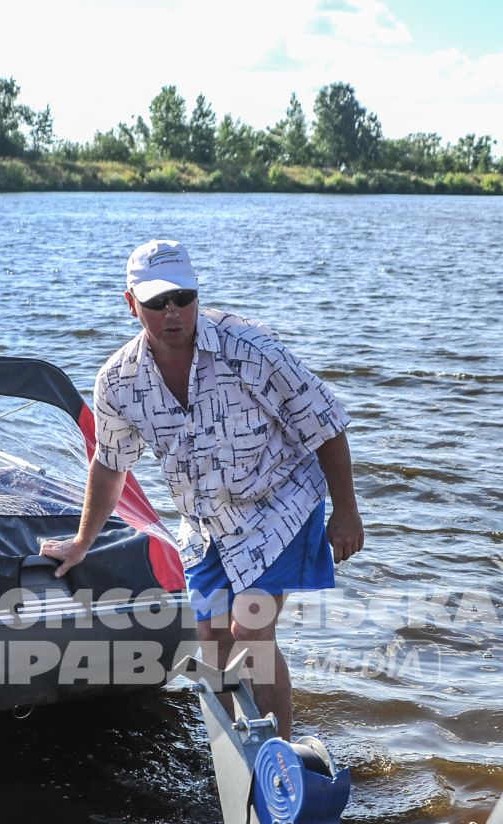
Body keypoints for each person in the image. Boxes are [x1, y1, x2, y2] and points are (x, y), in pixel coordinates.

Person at [40, 240, 363, 738]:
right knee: (212, 639)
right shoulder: (118, 381)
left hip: (281, 501)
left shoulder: (251, 349)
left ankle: (279, 757)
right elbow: (110, 465)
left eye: (182, 297)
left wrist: (346, 512)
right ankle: (241, 749)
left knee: (250, 630)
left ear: (196, 293)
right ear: (131, 304)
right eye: (156, 302)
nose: (173, 312)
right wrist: (82, 542)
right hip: (207, 521)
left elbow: (326, 422)